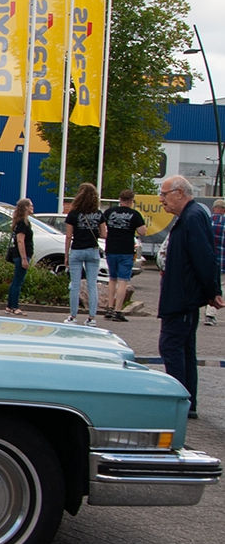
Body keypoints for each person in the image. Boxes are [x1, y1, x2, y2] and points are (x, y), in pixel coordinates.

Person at [157, 174, 224, 419]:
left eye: (165, 194)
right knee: (183, 348)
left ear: (180, 193)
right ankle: (187, 403)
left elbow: (204, 257)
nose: (161, 199)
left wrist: (212, 291)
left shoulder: (193, 217)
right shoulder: (188, 217)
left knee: (172, 347)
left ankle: (179, 401)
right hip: (180, 296)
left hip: (183, 298)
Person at [63, 182, 106, 325]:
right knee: (92, 285)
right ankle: (92, 318)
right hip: (93, 250)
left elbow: (68, 236)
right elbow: (104, 234)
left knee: (75, 285)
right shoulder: (98, 214)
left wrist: (66, 255)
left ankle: (73, 316)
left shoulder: (73, 214)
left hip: (77, 250)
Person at [102, 189, 148, 321]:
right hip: (126, 250)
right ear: (131, 201)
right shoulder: (134, 214)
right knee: (123, 281)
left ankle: (109, 308)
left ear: (120, 199)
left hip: (111, 248)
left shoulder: (110, 212)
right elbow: (142, 231)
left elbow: (103, 228)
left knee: (112, 279)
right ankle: (118, 310)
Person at [5, 197, 34, 316]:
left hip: (20, 255)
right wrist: (24, 258)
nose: (32, 207)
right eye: (30, 205)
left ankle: (9, 305)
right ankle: (14, 306)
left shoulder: (21, 222)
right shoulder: (23, 223)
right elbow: (20, 241)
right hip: (21, 255)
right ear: (26, 207)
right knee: (18, 281)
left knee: (16, 280)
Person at [209, 199, 225, 325]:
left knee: (208, 284)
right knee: (220, 287)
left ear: (214, 208)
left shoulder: (206, 221)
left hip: (207, 260)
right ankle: (211, 313)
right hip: (222, 260)